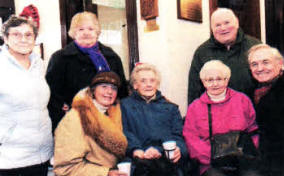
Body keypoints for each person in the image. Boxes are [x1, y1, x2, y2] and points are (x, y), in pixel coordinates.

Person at [46, 11, 128, 132]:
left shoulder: (111, 56)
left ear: (97, 32)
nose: (86, 33)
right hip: (75, 123)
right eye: (80, 29)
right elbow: (52, 97)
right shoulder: (60, 58)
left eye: (90, 29)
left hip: (109, 121)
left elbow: (122, 91)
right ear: (73, 33)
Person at [183, 60, 260, 176]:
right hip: (211, 163)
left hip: (242, 159)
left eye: (219, 79)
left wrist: (248, 152)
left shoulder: (242, 100)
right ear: (203, 82)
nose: (214, 84)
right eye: (209, 80)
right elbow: (191, 138)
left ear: (227, 80)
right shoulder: (195, 107)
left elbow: (253, 130)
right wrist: (211, 157)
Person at [0, 16, 53, 176]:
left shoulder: (40, 65)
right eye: (16, 34)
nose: (23, 39)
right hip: (9, 159)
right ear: (5, 38)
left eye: (28, 35)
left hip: (42, 155)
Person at [53, 71, 128, 176]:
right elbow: (65, 167)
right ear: (93, 90)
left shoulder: (116, 114)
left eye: (113, 88)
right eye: (104, 86)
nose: (109, 91)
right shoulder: (76, 118)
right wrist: (105, 173)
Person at [121, 63, 189, 176]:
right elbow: (123, 132)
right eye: (143, 81)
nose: (148, 85)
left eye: (152, 81)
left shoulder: (171, 108)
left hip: (165, 160)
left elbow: (179, 137)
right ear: (135, 85)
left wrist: (175, 150)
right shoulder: (124, 106)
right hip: (136, 160)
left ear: (157, 84)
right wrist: (135, 150)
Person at [187, 8, 261, 105]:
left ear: (237, 23)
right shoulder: (202, 52)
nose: (223, 28)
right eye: (217, 25)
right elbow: (194, 90)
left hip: (251, 112)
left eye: (227, 23)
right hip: (215, 113)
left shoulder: (255, 46)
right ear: (212, 29)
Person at [247, 44, 284, 176]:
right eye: (254, 64)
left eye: (265, 62)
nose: (260, 68)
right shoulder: (250, 93)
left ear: (280, 63)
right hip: (260, 162)